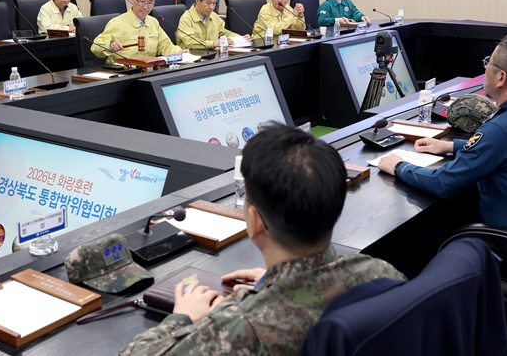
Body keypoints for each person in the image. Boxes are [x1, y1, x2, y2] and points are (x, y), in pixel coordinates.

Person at [119, 125, 404, 355]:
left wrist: (183, 317)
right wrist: (272, 282)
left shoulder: (243, 328)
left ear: (254, 221)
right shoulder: (380, 273)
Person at [377, 31, 507, 235]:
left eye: (489, 63)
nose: (486, 67)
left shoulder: (500, 130)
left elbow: (442, 182)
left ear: (501, 77)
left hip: (504, 239)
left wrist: (399, 166)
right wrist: (450, 146)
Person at [93, 0, 187, 64]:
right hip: (124, 71)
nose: (145, 7)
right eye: (142, 1)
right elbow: (95, 47)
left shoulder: (153, 22)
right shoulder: (117, 23)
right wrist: (110, 45)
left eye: (150, 3)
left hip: (149, 70)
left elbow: (165, 46)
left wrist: (179, 52)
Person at [176, 0, 250, 50]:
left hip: (212, 55)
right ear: (197, 1)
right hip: (192, 57)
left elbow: (223, 33)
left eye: (214, 3)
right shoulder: (186, 18)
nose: (211, 7)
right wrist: (213, 43)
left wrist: (240, 38)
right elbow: (190, 42)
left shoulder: (214, 16)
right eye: (208, 3)